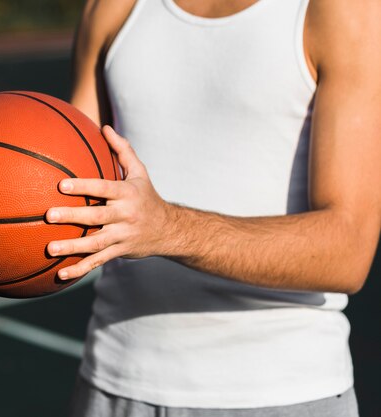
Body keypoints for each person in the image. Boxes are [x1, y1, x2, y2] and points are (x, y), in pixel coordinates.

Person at [42, 0, 380, 416]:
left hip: (280, 393)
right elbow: (62, 189)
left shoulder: (342, 9)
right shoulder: (113, 6)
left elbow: (348, 250)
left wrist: (168, 227)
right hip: (112, 382)